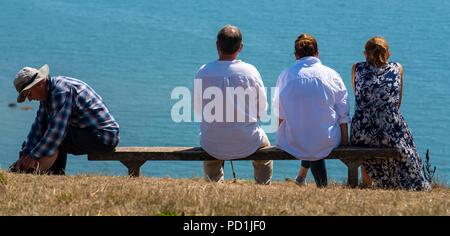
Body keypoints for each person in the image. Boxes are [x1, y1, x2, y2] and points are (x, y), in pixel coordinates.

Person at [193, 25, 272, 185]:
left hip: (212, 142)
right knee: (265, 155)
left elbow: (197, 109)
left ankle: (214, 188)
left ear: (217, 46)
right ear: (241, 47)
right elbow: (262, 109)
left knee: (211, 154)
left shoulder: (203, 71)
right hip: (248, 140)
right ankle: (263, 188)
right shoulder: (250, 71)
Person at [350, 36, 431, 191]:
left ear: (366, 54)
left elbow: (358, 99)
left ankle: (367, 183)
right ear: (387, 54)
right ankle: (404, 182)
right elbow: (397, 103)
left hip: (362, 130)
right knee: (402, 140)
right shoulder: (397, 68)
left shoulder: (357, 68)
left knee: (364, 137)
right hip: (389, 129)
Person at [9, 64, 120, 175]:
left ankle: (48, 174)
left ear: (39, 84)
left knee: (58, 137)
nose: (29, 99)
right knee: (46, 135)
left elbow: (57, 132)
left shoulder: (61, 91)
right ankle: (29, 169)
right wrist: (26, 153)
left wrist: (33, 156)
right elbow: (38, 125)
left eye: (28, 94)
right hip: (86, 130)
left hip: (104, 136)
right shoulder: (47, 94)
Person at [273, 34, 350, 187]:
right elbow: (343, 112)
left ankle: (304, 178)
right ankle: (319, 185)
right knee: (316, 134)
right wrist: (345, 140)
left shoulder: (286, 75)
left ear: (295, 55)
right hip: (326, 139)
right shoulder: (331, 75)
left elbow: (279, 111)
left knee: (307, 133)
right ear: (317, 53)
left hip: (294, 140)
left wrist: (280, 136)